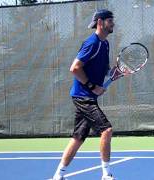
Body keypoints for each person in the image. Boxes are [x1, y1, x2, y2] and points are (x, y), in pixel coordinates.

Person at [52, 9, 115, 180]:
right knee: (106, 130)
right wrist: (92, 86)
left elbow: (101, 67)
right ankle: (106, 174)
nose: (113, 23)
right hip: (83, 96)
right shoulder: (92, 43)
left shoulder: (105, 44)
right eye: (110, 20)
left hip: (88, 96)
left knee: (78, 138)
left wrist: (112, 72)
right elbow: (74, 68)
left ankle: (58, 175)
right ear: (100, 22)